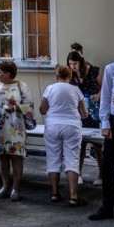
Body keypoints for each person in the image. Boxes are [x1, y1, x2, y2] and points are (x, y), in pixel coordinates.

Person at [40, 64, 89, 207]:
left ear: (56, 76)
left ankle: (55, 193)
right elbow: (84, 113)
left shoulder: (49, 89)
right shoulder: (76, 89)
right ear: (70, 76)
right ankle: (74, 196)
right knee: (72, 159)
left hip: (52, 126)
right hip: (72, 126)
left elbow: (43, 109)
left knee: (53, 158)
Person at [0, 60, 34, 201]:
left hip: (15, 127)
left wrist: (14, 108)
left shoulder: (21, 86)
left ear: (7, 74)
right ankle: (5, 186)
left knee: (16, 156)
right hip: (0, 127)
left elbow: (29, 105)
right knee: (3, 156)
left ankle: (16, 188)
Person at [89, 41, 114, 221]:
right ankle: (107, 206)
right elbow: (106, 97)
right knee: (108, 164)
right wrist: (105, 123)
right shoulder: (111, 69)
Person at [67, 50, 104, 185]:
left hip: (94, 111)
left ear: (81, 62)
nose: (73, 67)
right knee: (80, 144)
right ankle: (79, 173)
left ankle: (101, 174)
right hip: (79, 111)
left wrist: (98, 95)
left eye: (75, 63)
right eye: (70, 64)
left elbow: (105, 86)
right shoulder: (71, 75)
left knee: (97, 144)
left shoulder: (93, 71)